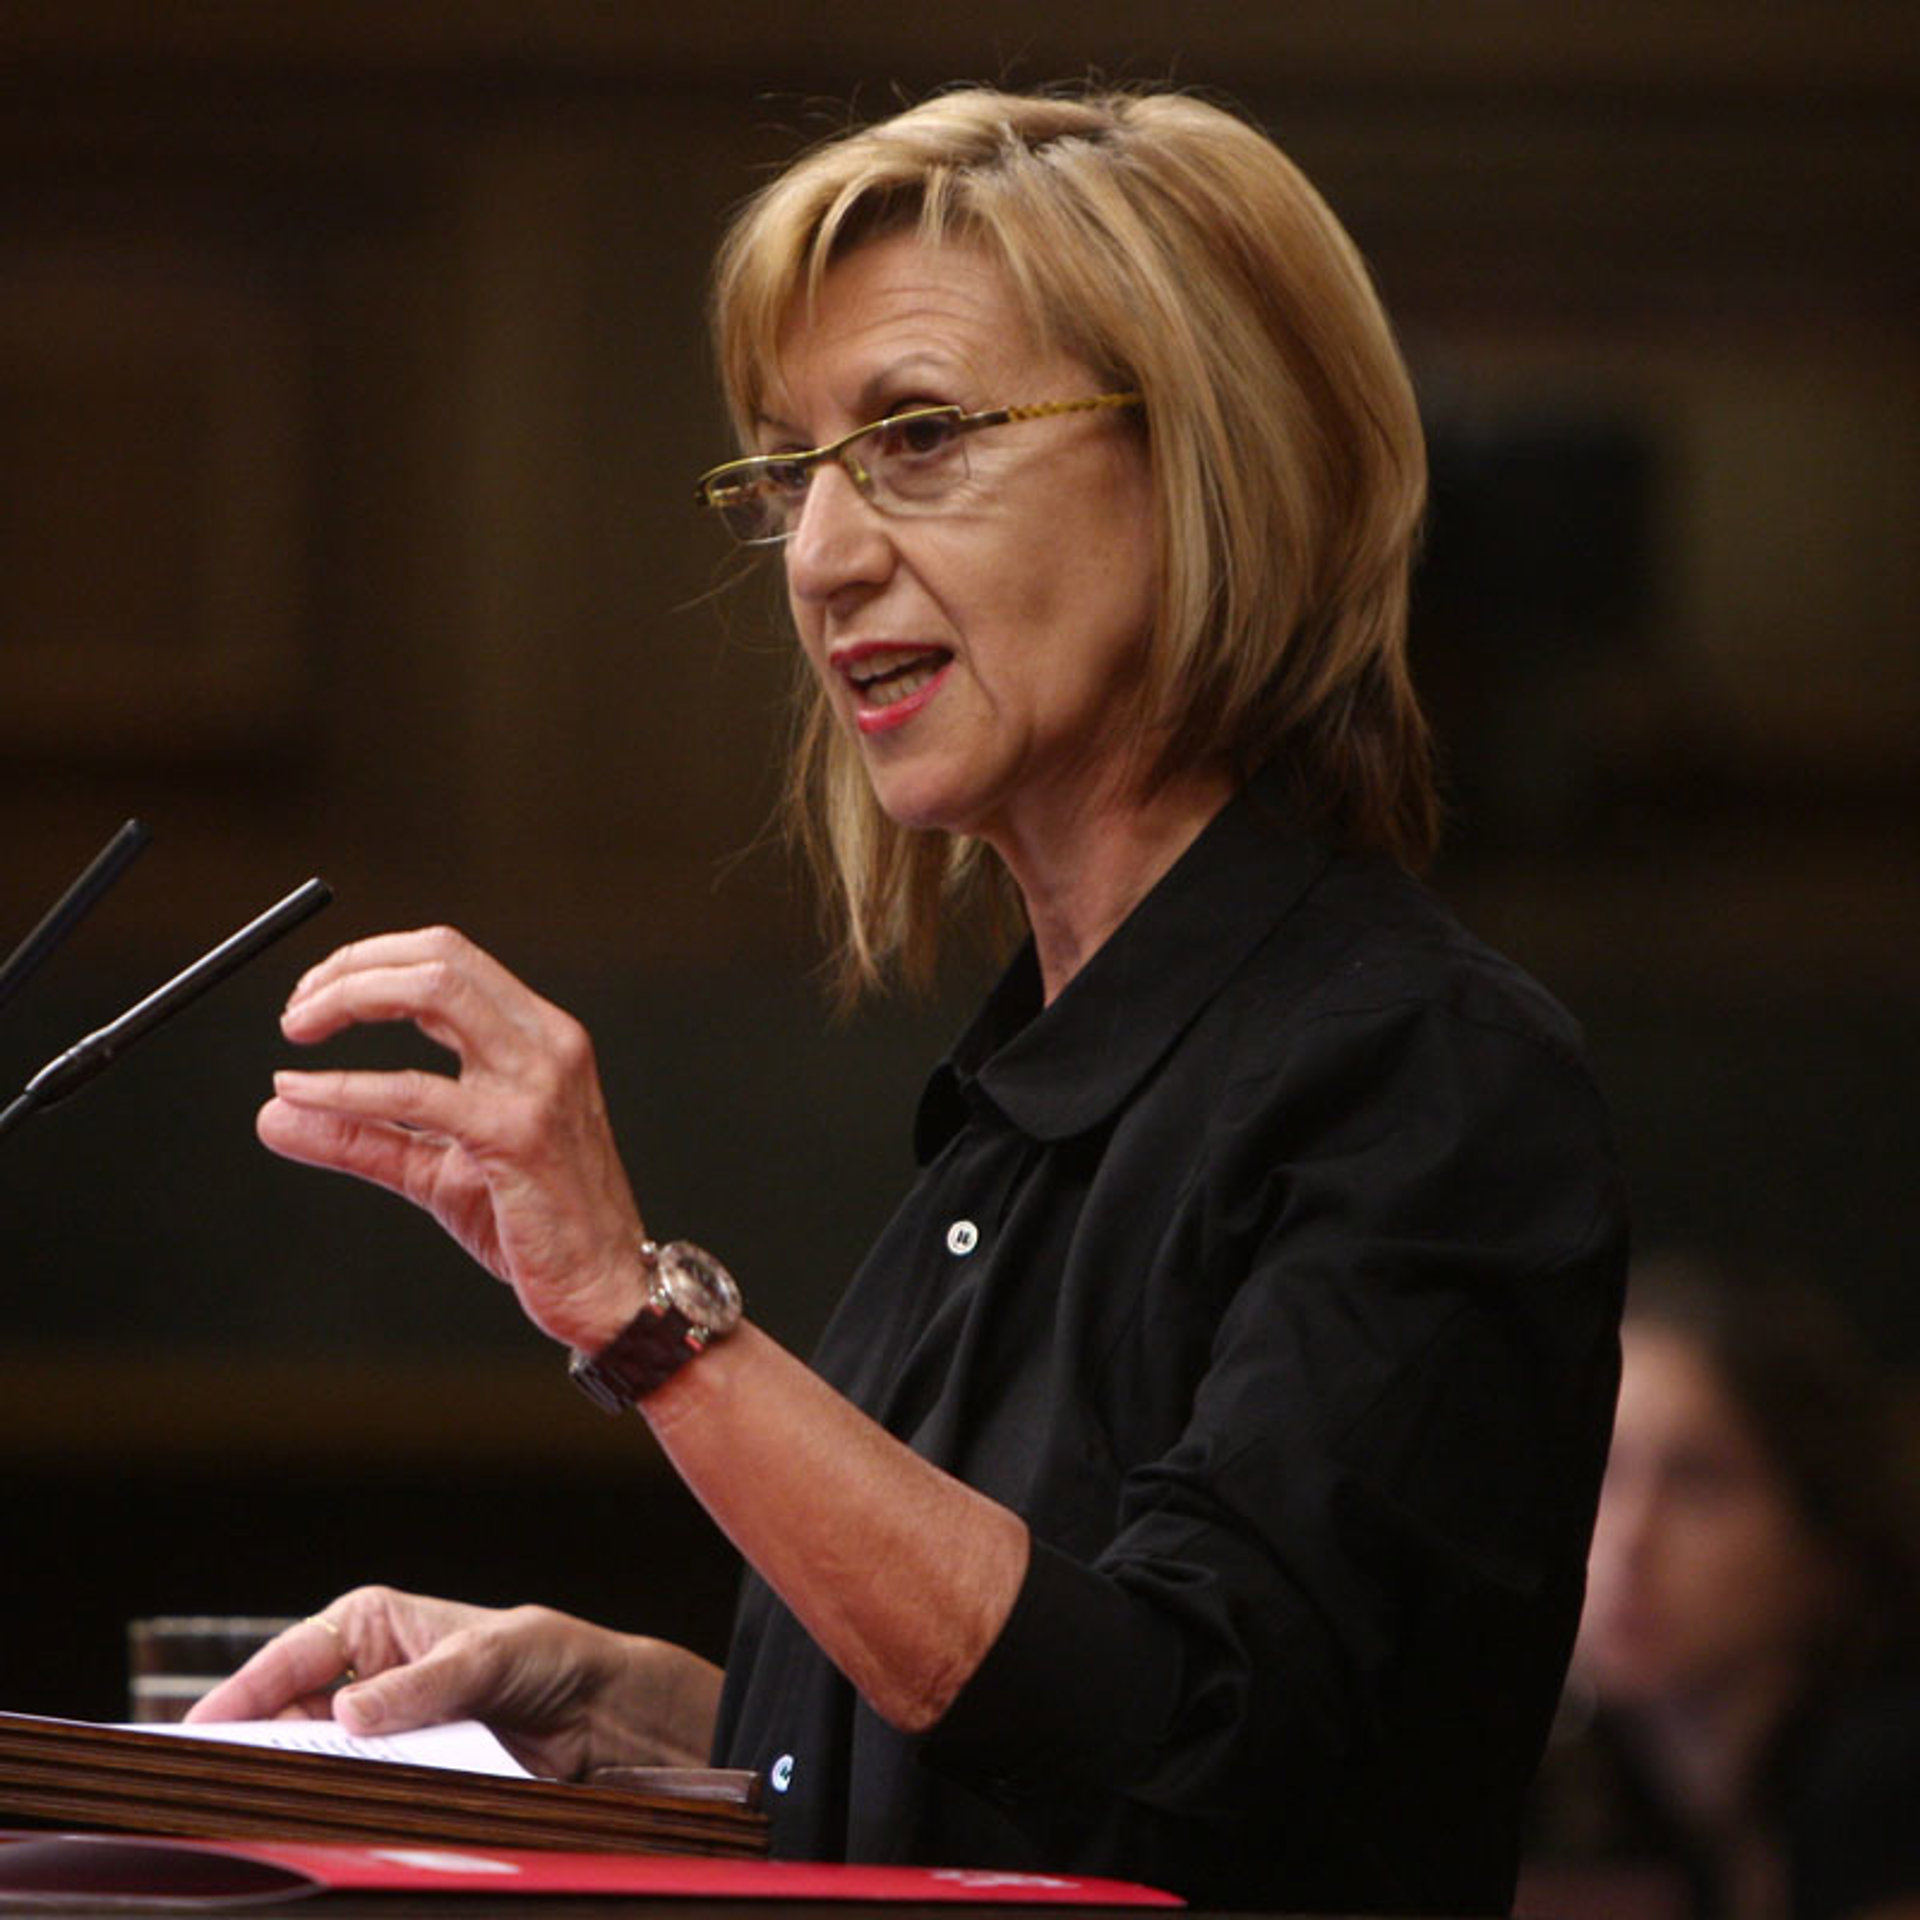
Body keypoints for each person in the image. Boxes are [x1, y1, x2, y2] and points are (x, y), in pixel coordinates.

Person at [190, 85, 1627, 1913]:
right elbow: (1039, 1757)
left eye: (922, 436)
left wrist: (647, 1321)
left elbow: (1208, 1758)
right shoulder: (1023, 1098)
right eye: (789, 474)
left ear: (1213, 460)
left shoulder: (1421, 1074)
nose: (819, 557)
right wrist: (662, 1725)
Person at [1523, 1255, 1920, 1920]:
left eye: (1698, 1481)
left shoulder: (1888, 1783)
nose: (1628, 1536)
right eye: (1600, 1469)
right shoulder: (1623, 1808)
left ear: (1825, 1533)